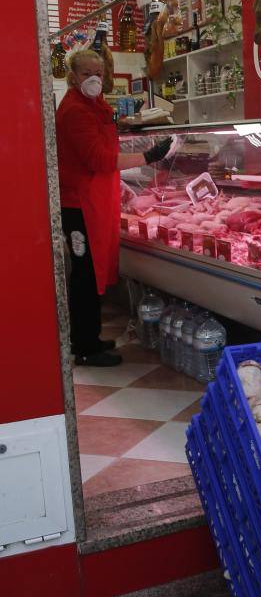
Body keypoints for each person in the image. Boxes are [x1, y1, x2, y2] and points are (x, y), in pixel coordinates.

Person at [56, 49, 172, 367]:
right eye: (85, 73)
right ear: (72, 76)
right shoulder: (75, 110)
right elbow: (100, 159)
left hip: (96, 201)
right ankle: (84, 347)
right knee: (84, 275)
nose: (94, 78)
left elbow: (107, 138)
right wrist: (148, 157)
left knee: (90, 272)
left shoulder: (96, 105)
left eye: (98, 72)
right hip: (80, 206)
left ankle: (90, 338)